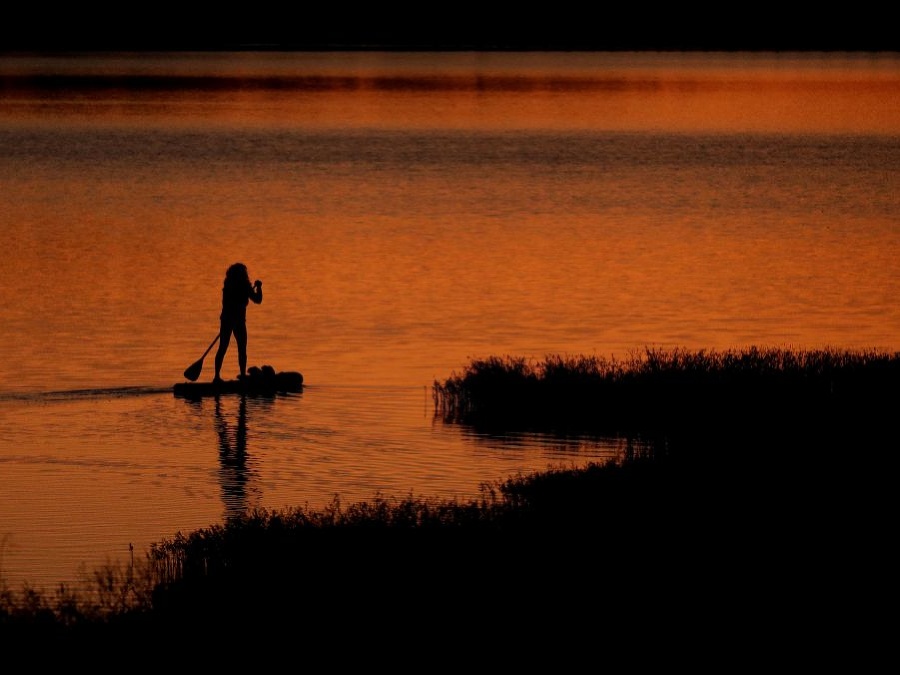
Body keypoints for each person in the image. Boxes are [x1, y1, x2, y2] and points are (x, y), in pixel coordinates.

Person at [213, 262, 263, 382]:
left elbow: (256, 300)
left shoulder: (229, 285)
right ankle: (228, 376)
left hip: (229, 320)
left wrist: (256, 288)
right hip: (234, 321)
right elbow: (257, 299)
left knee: (225, 348)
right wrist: (259, 287)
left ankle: (218, 376)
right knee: (237, 348)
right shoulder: (241, 286)